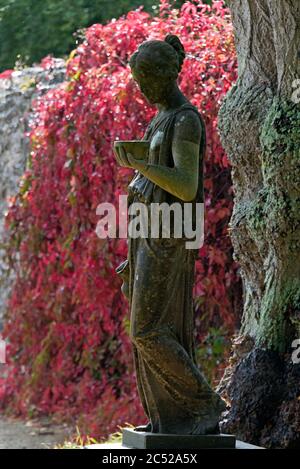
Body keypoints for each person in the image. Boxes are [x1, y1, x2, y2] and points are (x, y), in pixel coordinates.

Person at [114, 34, 226, 434]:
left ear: (166, 75)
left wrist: (139, 164)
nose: (141, 89)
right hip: (150, 233)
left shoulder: (185, 119)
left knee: (147, 329)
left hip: (170, 234)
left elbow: (185, 185)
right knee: (147, 328)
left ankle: (205, 406)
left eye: (145, 80)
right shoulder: (160, 117)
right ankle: (168, 418)